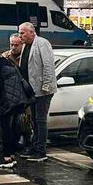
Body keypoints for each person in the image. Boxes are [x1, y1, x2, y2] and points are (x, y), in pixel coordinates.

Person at [18, 22, 55, 162]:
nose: (20, 35)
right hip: (31, 90)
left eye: (22, 33)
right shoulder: (26, 45)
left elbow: (48, 66)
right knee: (34, 120)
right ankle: (34, 146)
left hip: (42, 89)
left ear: (32, 32)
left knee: (40, 119)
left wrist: (46, 85)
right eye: (20, 33)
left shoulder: (42, 43)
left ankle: (41, 150)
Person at [3, 33, 32, 149]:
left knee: (25, 121)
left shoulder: (26, 57)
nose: (13, 47)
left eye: (16, 45)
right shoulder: (5, 57)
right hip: (10, 95)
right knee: (11, 122)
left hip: (24, 94)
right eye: (11, 45)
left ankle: (27, 142)